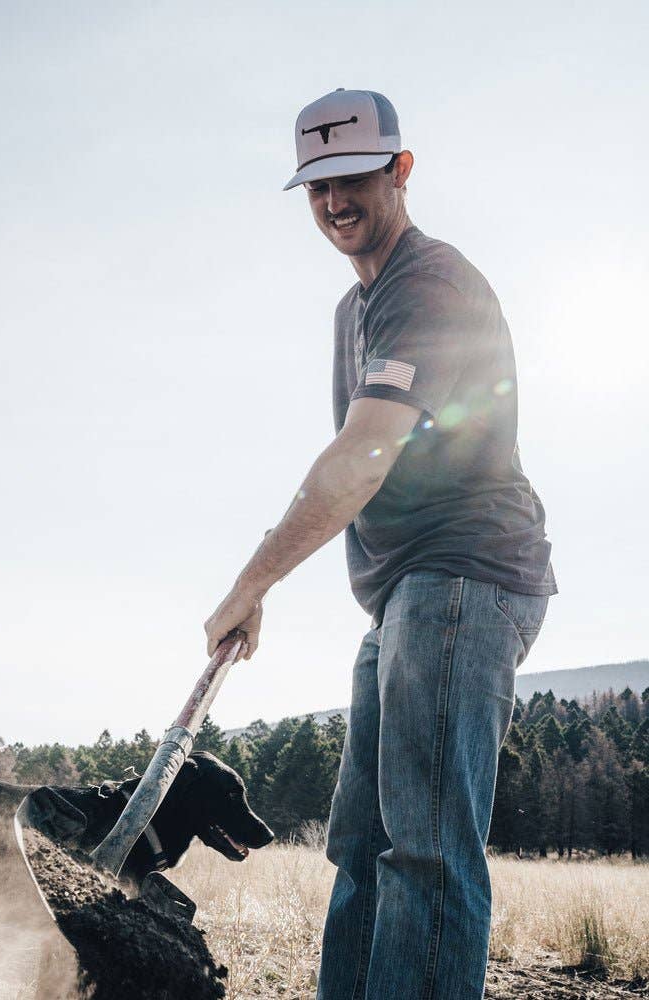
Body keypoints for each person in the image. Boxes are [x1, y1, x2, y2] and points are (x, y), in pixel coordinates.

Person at [203, 88, 556, 1000]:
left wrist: (252, 582)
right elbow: (355, 467)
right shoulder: (352, 309)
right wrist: (266, 578)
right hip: (405, 593)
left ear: (400, 170)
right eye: (316, 186)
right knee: (361, 846)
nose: (334, 203)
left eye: (353, 178)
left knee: (426, 852)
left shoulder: (430, 284)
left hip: (463, 576)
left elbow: (362, 456)